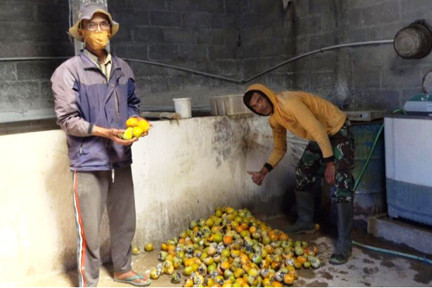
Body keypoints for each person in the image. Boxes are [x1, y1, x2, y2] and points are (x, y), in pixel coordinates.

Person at [51, 4, 151, 287]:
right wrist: (103, 132)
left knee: (124, 217)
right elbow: (68, 120)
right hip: (88, 157)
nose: (99, 31)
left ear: (110, 30)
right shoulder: (68, 72)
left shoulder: (123, 68)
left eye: (103, 25)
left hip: (120, 154)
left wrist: (137, 124)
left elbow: (133, 105)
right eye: (91, 26)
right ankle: (89, 281)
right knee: (89, 227)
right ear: (81, 33)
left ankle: (122, 268)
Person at [244, 83, 355, 265]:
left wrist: (330, 162)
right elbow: (280, 148)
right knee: (303, 172)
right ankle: (305, 222)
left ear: (267, 94)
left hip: (336, 128)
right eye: (254, 106)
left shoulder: (288, 103)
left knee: (341, 181)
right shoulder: (275, 119)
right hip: (319, 136)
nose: (260, 106)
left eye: (260, 100)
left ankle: (345, 244)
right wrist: (264, 171)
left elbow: (318, 129)